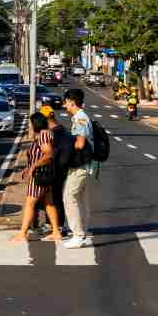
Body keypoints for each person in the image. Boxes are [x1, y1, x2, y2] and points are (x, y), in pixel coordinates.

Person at [11, 112, 63, 243]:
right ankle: (56, 231)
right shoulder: (46, 134)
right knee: (49, 203)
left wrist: (33, 167)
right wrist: (29, 167)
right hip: (46, 174)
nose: (30, 125)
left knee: (30, 204)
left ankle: (23, 233)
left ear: (35, 123)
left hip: (40, 175)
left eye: (31, 123)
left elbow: (48, 154)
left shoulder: (44, 135)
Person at [62, 88, 95, 249]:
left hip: (81, 165)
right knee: (81, 199)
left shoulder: (80, 119)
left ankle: (78, 234)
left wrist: (66, 147)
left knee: (69, 197)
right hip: (86, 165)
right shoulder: (81, 117)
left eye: (66, 101)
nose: (64, 104)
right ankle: (82, 230)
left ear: (72, 102)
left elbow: (80, 143)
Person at [43, 105, 74, 235]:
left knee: (54, 198)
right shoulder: (63, 130)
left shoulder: (52, 133)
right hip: (63, 168)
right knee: (56, 197)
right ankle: (56, 224)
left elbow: (51, 153)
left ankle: (56, 225)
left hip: (55, 169)